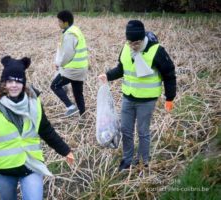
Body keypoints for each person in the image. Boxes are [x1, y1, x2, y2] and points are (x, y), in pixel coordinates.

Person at [0, 55, 75, 200]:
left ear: (23, 83)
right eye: (10, 81)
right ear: (3, 83)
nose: (14, 85)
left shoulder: (34, 103)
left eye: (18, 81)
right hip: (3, 169)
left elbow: (45, 129)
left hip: (31, 165)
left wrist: (65, 150)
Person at [98, 20, 176, 171]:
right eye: (130, 42)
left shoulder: (156, 51)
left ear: (143, 38)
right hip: (128, 97)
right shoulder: (126, 49)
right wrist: (107, 75)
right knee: (126, 130)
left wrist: (170, 98)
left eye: (137, 43)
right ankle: (127, 160)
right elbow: (121, 69)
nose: (133, 46)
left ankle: (143, 161)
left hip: (146, 101)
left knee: (143, 132)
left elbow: (169, 74)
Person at [51, 10, 89, 117]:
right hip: (81, 68)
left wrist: (60, 64)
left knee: (54, 85)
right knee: (78, 93)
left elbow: (68, 54)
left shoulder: (69, 34)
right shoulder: (76, 30)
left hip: (72, 70)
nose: (58, 23)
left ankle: (70, 106)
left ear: (65, 22)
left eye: (59, 21)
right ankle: (83, 115)